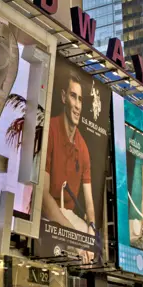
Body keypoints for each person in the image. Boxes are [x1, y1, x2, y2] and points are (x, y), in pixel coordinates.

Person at [41, 71, 97, 263]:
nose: (77, 105)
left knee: (93, 251)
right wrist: (74, 236)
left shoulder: (83, 148)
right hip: (47, 215)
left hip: (68, 217)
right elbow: (43, 196)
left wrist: (91, 227)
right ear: (64, 97)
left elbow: (89, 203)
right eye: (73, 96)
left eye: (80, 99)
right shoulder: (50, 130)